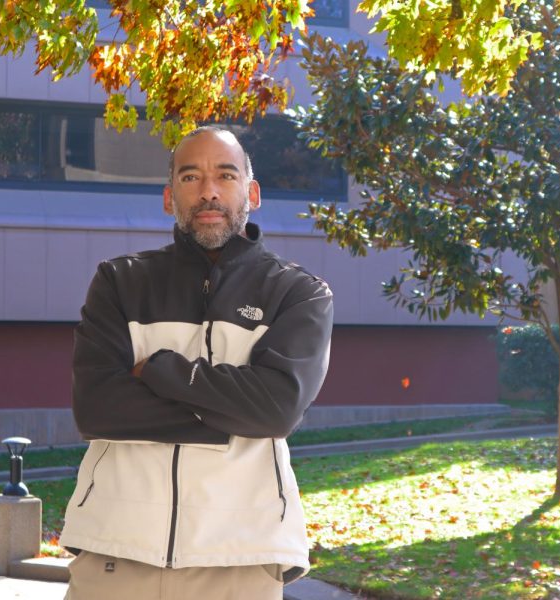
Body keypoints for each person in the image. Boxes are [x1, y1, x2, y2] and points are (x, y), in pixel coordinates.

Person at [59, 126, 333, 600]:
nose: (208, 190)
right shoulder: (120, 282)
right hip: (115, 550)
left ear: (252, 193)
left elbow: (275, 410)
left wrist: (162, 371)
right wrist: (230, 417)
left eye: (225, 175)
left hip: (240, 557)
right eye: (191, 177)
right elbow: (97, 408)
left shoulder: (297, 293)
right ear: (170, 197)